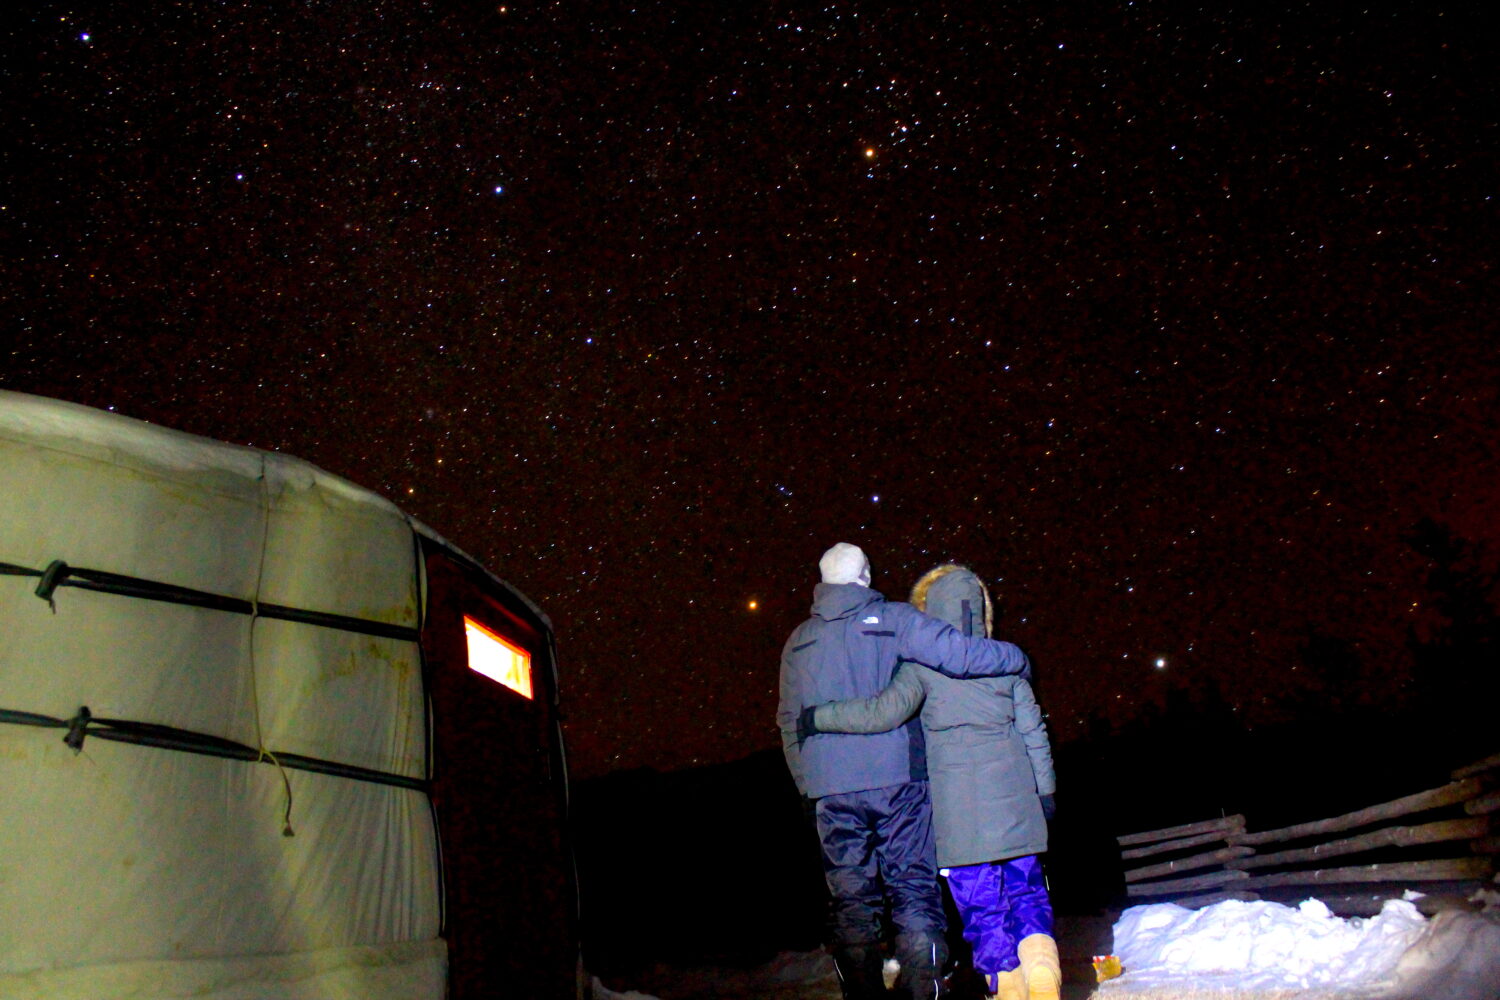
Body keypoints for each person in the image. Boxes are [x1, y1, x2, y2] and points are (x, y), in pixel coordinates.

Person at [778, 544, 1032, 1000]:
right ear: (866, 576)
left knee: (851, 900)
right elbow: (961, 656)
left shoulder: (797, 641)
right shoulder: (896, 619)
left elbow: (788, 720)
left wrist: (807, 784)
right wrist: (1016, 659)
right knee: (912, 886)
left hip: (831, 790)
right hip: (899, 782)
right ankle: (923, 992)